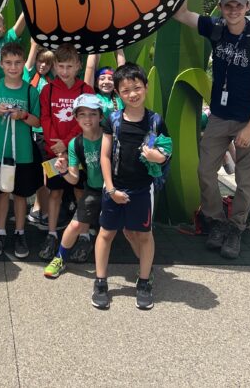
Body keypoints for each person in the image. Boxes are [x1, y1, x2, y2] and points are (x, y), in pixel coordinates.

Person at [173, 0, 250, 259]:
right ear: (220, 7)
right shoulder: (215, 27)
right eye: (228, 5)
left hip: (248, 119)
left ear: (247, 7)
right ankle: (216, 222)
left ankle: (236, 228)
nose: (233, 10)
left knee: (245, 180)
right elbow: (181, 14)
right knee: (205, 171)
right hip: (219, 115)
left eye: (238, 5)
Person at [92, 63, 169, 310]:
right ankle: (101, 282)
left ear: (146, 87)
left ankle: (144, 282)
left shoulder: (156, 120)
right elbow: (104, 156)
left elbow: (166, 151)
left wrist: (160, 157)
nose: (132, 94)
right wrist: (111, 189)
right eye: (125, 90)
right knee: (106, 233)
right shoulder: (112, 120)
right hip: (115, 187)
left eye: (137, 87)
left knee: (144, 235)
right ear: (117, 93)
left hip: (142, 188)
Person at [0, 42, 42, 259]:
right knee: (1, 193)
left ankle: (20, 232)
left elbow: (36, 122)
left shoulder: (30, 90)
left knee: (20, 195)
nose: (13, 67)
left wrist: (22, 115)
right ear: (1, 64)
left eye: (17, 63)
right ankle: (0, 232)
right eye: (8, 63)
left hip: (23, 153)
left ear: (24, 63)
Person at [38, 45, 93, 261]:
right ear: (54, 66)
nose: (65, 71)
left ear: (78, 65)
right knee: (55, 192)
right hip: (53, 150)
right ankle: (51, 234)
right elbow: (45, 118)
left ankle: (84, 235)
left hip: (78, 149)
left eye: (69, 66)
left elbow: (87, 120)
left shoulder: (85, 90)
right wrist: (55, 146)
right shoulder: (48, 89)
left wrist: (67, 143)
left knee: (81, 192)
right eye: (60, 66)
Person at [43, 94, 104, 278]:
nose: (87, 118)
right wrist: (62, 172)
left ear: (101, 116)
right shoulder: (75, 144)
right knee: (75, 225)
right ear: (75, 118)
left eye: (93, 114)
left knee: (131, 231)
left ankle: (146, 269)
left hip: (114, 190)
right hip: (93, 190)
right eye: (82, 114)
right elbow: (74, 179)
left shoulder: (110, 136)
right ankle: (60, 258)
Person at [24, 41, 55, 228]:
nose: (43, 65)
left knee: (49, 173)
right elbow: (32, 50)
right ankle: (40, 208)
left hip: (49, 133)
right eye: (40, 62)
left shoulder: (53, 80)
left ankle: (45, 210)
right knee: (38, 173)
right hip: (32, 131)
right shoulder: (29, 76)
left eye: (47, 63)